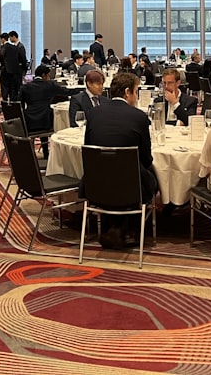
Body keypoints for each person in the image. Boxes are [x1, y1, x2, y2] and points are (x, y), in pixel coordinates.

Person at [84, 72, 158, 249]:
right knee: (150, 176)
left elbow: (88, 148)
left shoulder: (93, 114)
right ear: (127, 92)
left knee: (118, 174)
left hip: (96, 185)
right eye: (136, 91)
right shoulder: (139, 117)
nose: (137, 96)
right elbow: (146, 158)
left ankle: (115, 226)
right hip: (130, 187)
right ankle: (132, 228)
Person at [20, 65, 68, 157]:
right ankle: (48, 152)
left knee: (44, 114)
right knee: (59, 121)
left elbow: (20, 105)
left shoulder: (25, 87)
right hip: (45, 122)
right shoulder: (49, 85)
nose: (49, 78)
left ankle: (33, 153)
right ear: (44, 75)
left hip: (28, 122)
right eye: (48, 75)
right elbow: (65, 92)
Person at [0, 30, 28, 102]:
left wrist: (25, 69)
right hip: (14, 70)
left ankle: (7, 102)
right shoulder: (14, 47)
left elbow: (22, 59)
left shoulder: (19, 47)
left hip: (11, 70)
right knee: (13, 87)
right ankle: (14, 103)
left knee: (9, 87)